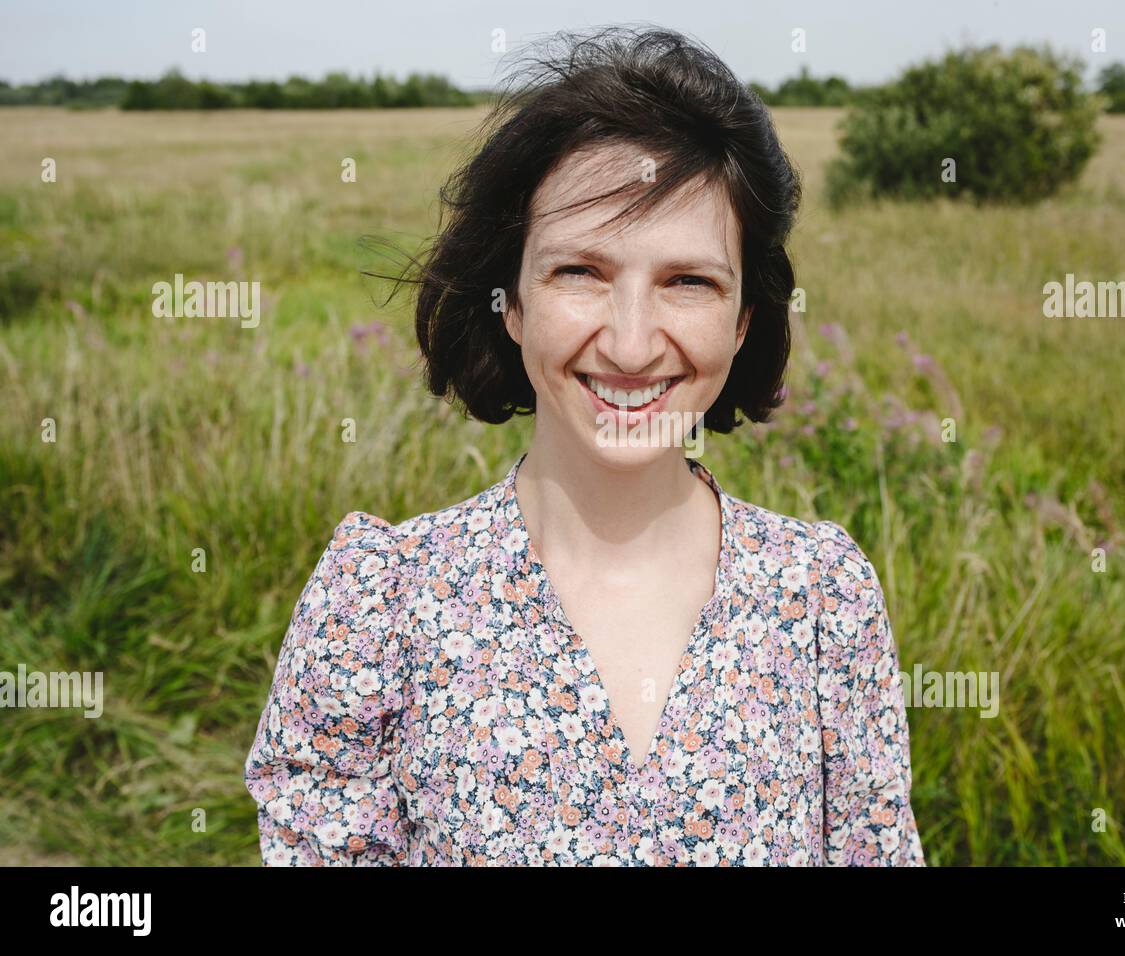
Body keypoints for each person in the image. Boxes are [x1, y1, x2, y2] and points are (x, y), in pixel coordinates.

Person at [244, 25, 924, 866]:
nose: (633, 345)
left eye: (688, 281)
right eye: (581, 273)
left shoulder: (824, 599)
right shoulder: (378, 604)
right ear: (513, 303)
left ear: (745, 321)